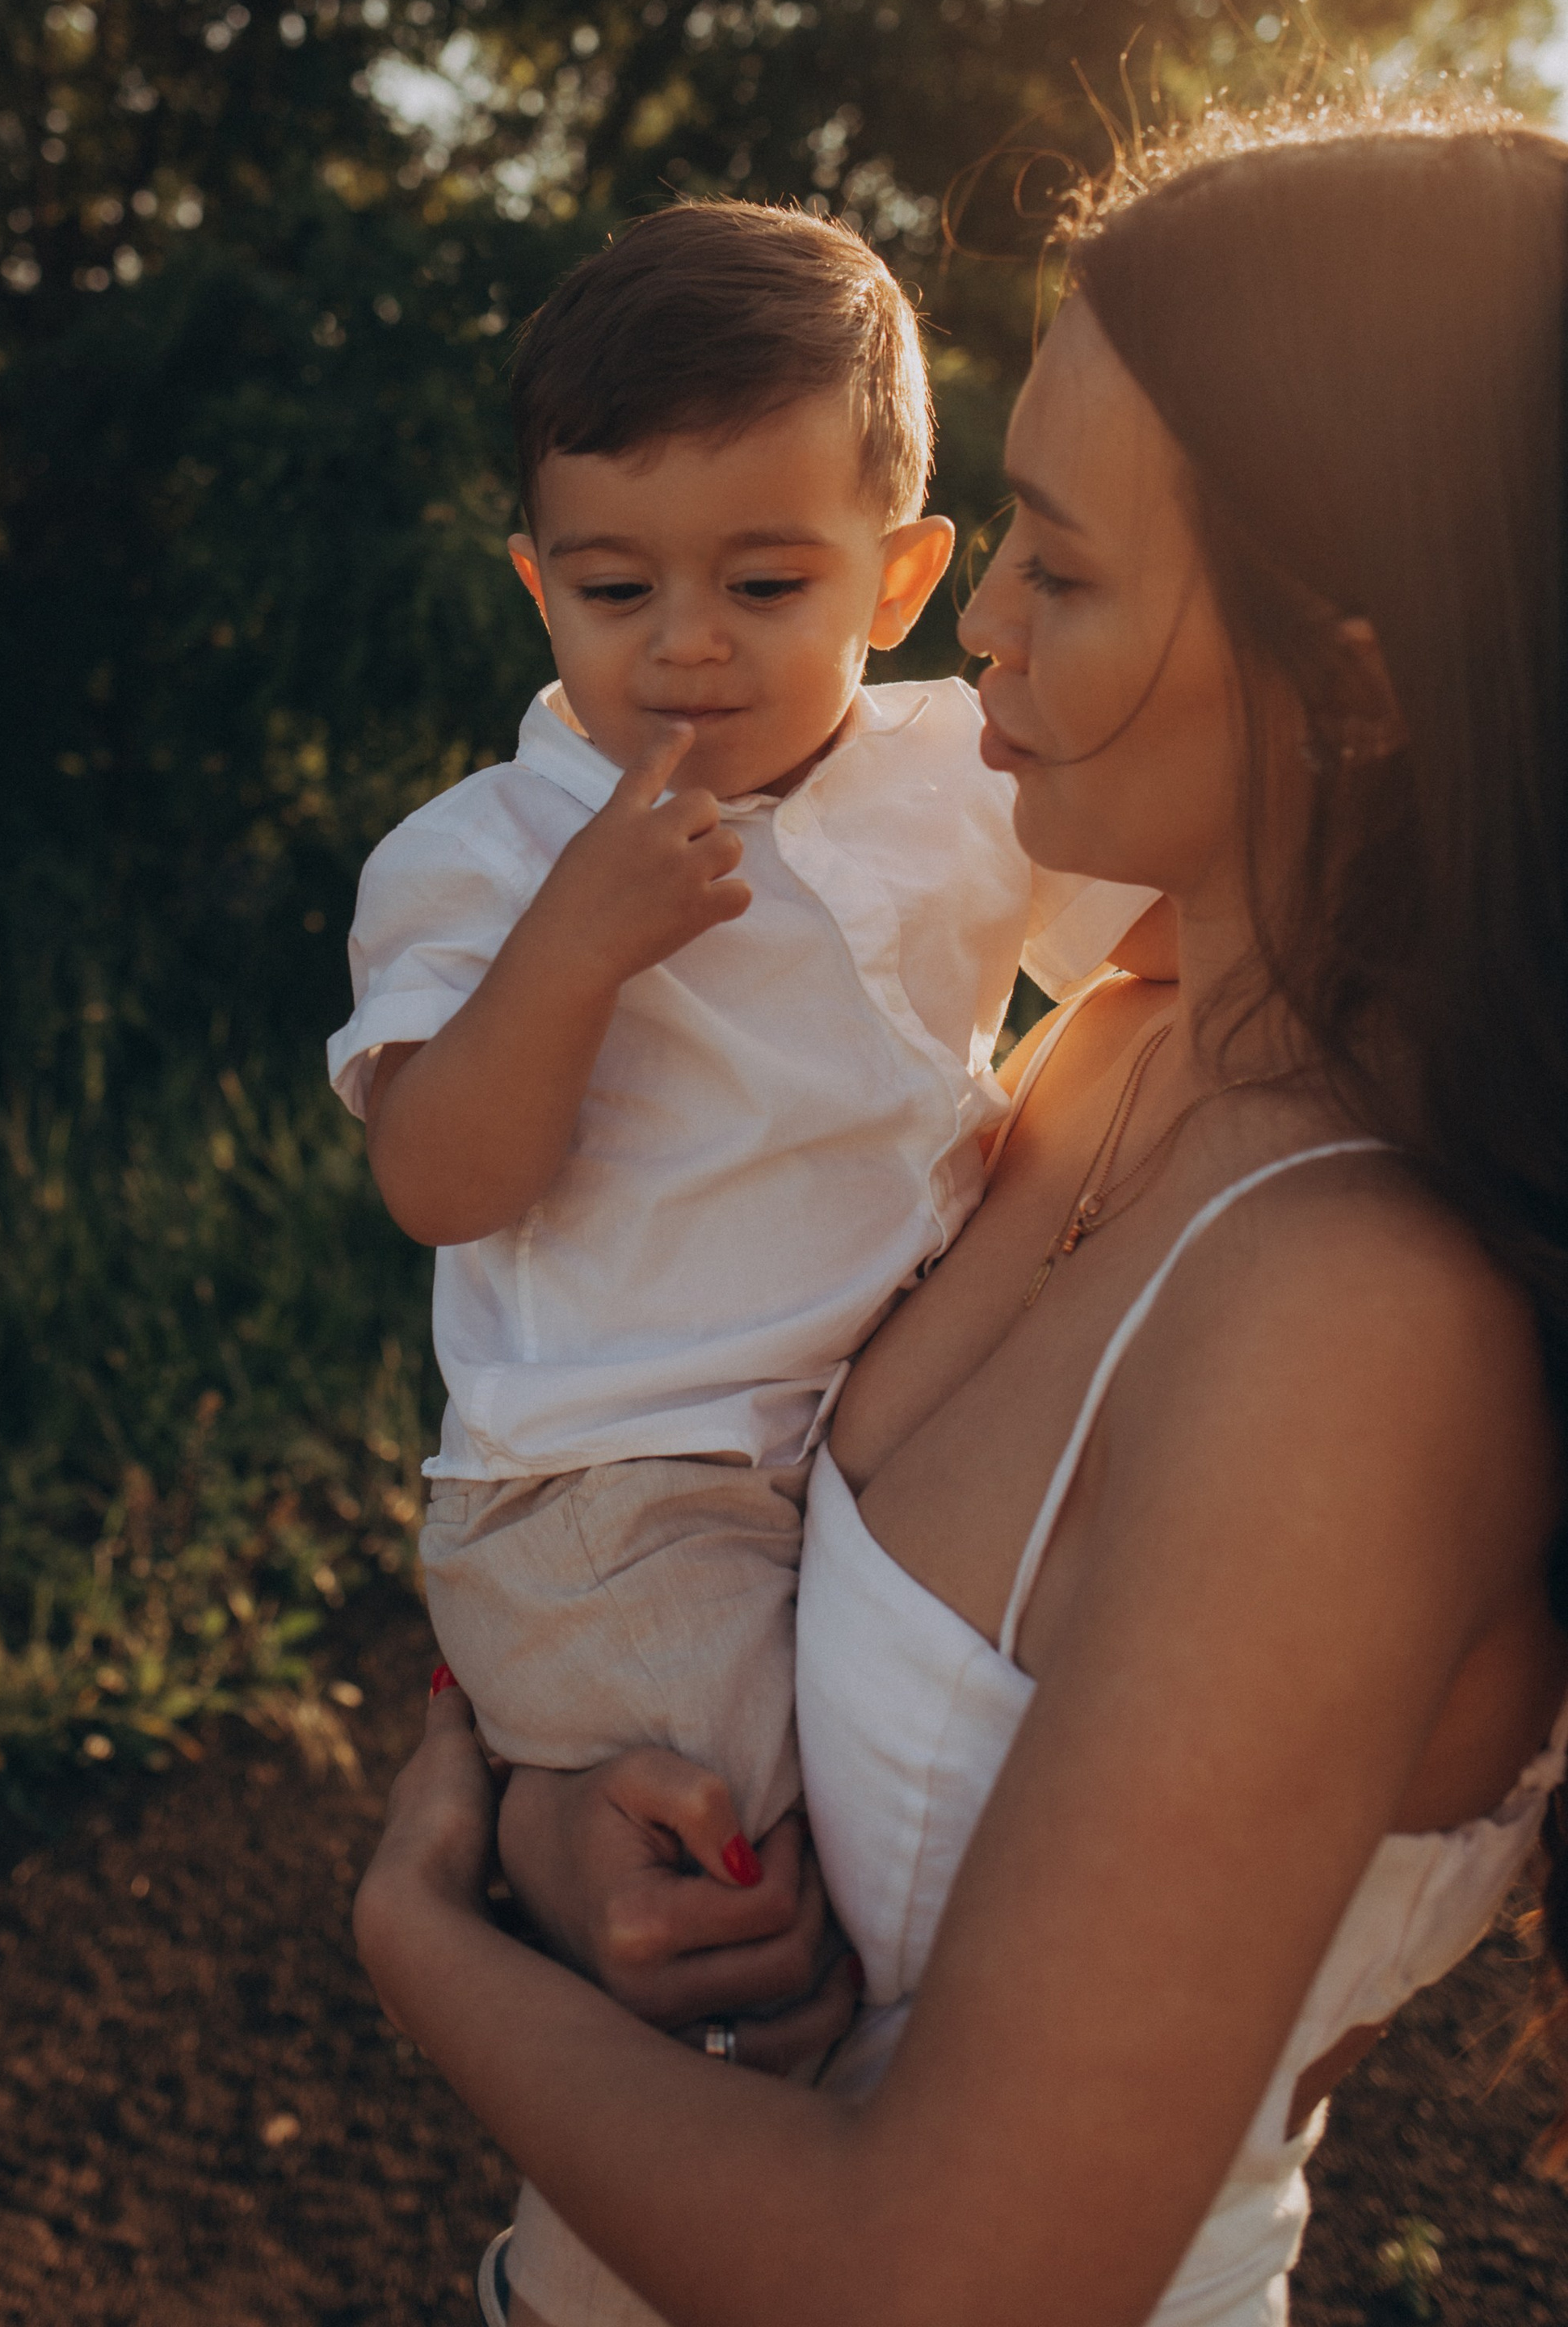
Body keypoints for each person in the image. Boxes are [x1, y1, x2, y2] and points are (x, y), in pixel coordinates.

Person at [354, 103, 1568, 2327]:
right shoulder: (1119, 1032)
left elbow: (945, 2277)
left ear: (1365, 687)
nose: (976, 621)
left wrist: (424, 1938)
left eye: (1067, 569)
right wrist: (551, 1830)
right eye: (1008, 531)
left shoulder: (1354, 1323)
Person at [329, 201, 1158, 1862]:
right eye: (616, 586)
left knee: (1041, 1711)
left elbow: (1152, 966)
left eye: (765, 581)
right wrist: (569, 951)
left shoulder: (957, 777)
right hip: (614, 1482)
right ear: (536, 588)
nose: (686, 640)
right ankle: (629, 2010)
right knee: (785, 1826)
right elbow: (437, 1181)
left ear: (900, 577)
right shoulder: (480, 857)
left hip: (895, 1408)